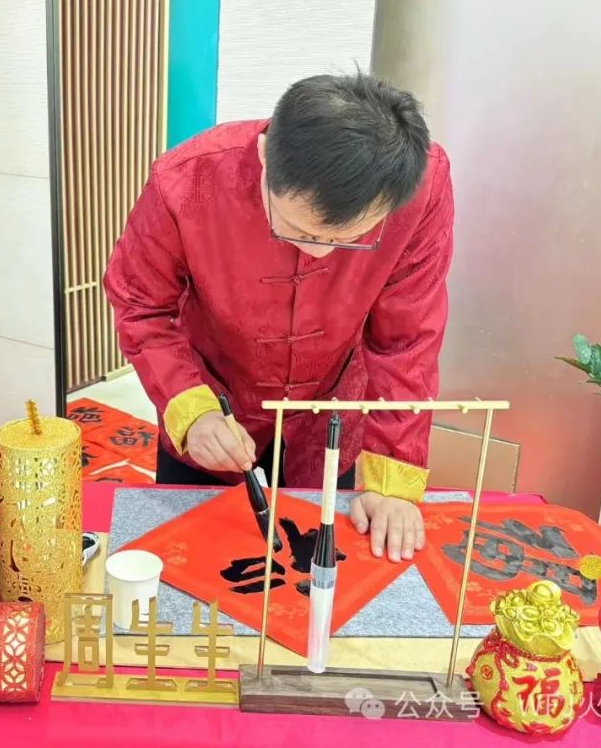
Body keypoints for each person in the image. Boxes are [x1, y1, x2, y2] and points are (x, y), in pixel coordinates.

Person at [104, 73, 454, 563]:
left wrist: (393, 479)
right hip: (212, 404)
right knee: (196, 565)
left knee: (316, 572)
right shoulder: (186, 181)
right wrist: (191, 407)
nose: (319, 253)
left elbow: (408, 339)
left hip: (330, 416)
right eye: (297, 230)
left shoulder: (421, 186)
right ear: (266, 155)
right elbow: (141, 303)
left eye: (348, 239)